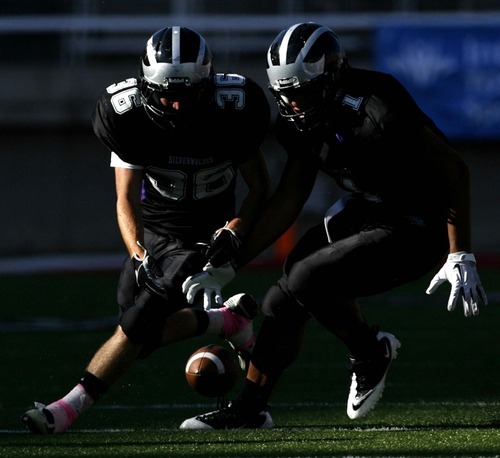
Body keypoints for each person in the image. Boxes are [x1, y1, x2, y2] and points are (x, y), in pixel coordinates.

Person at [179, 22, 488, 430]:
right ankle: (250, 410)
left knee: (307, 275)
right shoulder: (298, 119)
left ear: (333, 75)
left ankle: (367, 352)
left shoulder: (377, 107)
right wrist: (229, 264)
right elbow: (290, 196)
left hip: (419, 222)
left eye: (302, 92)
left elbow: (454, 169)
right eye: (285, 94)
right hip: (367, 209)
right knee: (279, 301)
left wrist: (459, 251)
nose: (293, 104)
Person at [21, 25, 272, 434]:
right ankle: (225, 323)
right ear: (145, 85)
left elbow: (260, 187)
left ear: (206, 86)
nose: (175, 105)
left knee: (137, 326)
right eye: (166, 94)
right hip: (154, 231)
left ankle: (65, 410)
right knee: (139, 335)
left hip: (203, 234)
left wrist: (234, 230)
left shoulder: (235, 110)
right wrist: (139, 255)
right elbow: (126, 198)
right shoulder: (126, 116)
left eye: (187, 94)